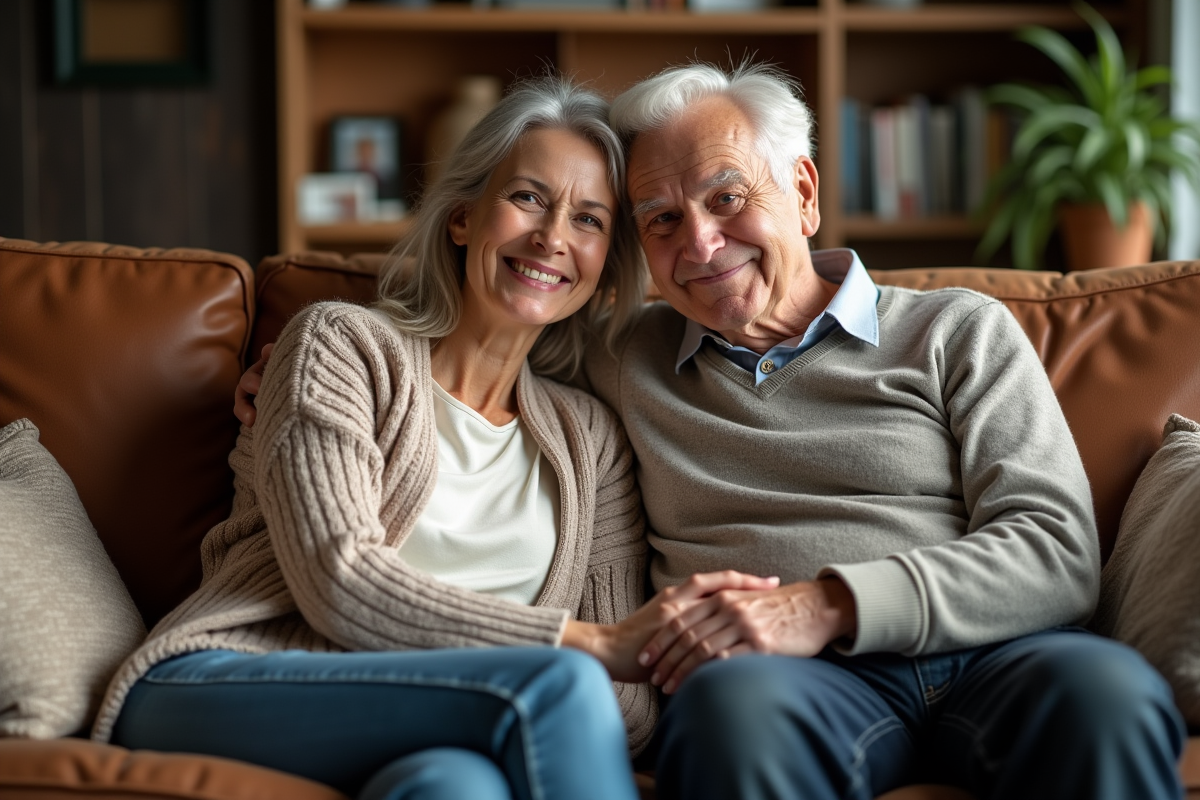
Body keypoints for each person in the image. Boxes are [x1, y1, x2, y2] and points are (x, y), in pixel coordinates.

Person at [236, 63, 1187, 800]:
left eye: (728, 199)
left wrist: (825, 605)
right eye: (659, 219)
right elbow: (482, 328)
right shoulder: (620, 354)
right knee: (732, 717)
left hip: (997, 657)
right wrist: (274, 383)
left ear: (803, 193)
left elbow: (1058, 552)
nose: (697, 244)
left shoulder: (956, 330)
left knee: (1106, 697)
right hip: (787, 688)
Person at [91, 77, 774, 800]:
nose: (551, 237)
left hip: (443, 721)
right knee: (557, 680)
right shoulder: (344, 346)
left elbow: (631, 714)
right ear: (461, 218)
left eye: (589, 219)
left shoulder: (589, 439)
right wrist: (592, 647)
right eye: (528, 198)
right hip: (226, 681)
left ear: (606, 267)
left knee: (456, 788)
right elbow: (339, 579)